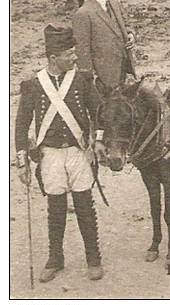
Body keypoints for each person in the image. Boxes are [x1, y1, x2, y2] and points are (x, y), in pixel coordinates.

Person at [15, 25, 105, 283]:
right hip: (50, 154)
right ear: (53, 58)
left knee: (84, 205)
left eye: (75, 53)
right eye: (69, 54)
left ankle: (93, 257)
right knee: (55, 208)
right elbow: (21, 125)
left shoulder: (82, 80)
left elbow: (98, 113)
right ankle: (56, 258)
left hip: (78, 152)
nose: (75, 58)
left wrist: (97, 141)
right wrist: (22, 163)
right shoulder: (33, 85)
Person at [71, 0, 136, 93]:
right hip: (103, 75)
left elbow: (126, 24)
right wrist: (90, 79)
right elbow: (82, 50)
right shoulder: (83, 13)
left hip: (122, 66)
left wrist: (130, 34)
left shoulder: (114, 2)